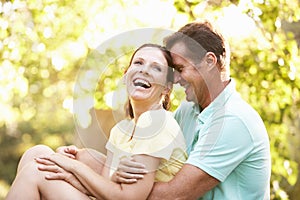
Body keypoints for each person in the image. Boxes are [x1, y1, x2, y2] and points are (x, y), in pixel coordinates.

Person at [5, 43, 187, 200]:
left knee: (34, 172)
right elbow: (107, 186)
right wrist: (75, 164)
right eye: (138, 62)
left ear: (167, 87)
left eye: (156, 68)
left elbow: (126, 197)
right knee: (37, 153)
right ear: (125, 75)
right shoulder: (123, 129)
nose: (144, 70)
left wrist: (73, 166)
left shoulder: (157, 122)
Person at [114, 21, 271, 199]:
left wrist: (115, 182)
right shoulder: (187, 111)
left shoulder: (234, 120)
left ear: (210, 61)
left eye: (180, 69)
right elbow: (153, 161)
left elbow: (172, 196)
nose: (176, 79)